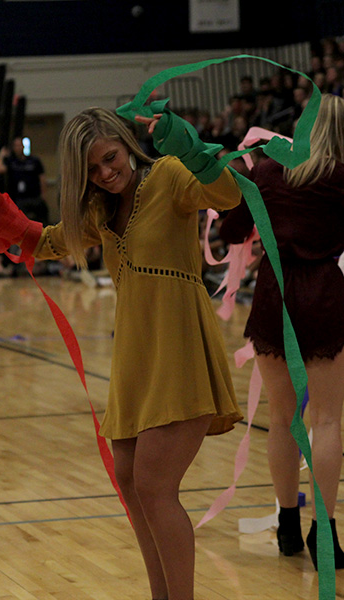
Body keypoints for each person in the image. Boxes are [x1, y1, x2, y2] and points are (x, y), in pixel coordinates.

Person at [0, 107, 243, 600]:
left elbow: (226, 194)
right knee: (132, 482)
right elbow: (44, 241)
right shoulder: (101, 209)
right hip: (135, 359)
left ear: (126, 144)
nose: (105, 172)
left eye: (110, 157)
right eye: (93, 169)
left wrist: (188, 149)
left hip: (179, 347)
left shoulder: (166, 176)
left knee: (156, 487)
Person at [219, 94, 344, 570]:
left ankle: (288, 525)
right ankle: (326, 535)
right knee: (327, 420)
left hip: (275, 293)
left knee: (283, 414)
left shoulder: (267, 169)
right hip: (326, 294)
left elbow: (231, 232)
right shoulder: (341, 177)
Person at [0, 136, 49, 223]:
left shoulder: (34, 161)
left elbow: (42, 177)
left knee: (42, 215)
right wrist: (1, 155)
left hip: (34, 196)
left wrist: (43, 194)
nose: (18, 148)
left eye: (20, 145)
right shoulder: (11, 162)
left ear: (23, 146)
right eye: (16, 146)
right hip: (19, 199)